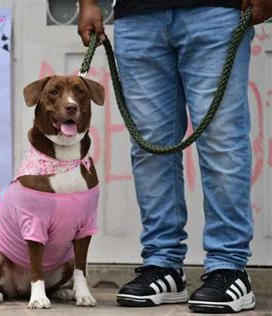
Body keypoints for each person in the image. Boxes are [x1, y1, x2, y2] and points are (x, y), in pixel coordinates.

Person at [78, 0, 271, 313]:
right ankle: (163, 264)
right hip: (137, 16)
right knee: (150, 148)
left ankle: (229, 266)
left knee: (222, 141)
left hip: (216, 10)